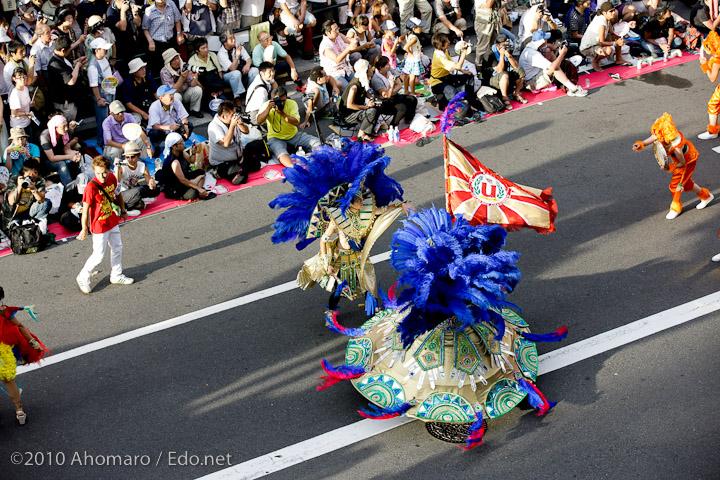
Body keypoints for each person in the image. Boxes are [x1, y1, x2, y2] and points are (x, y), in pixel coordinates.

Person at [269, 141, 412, 314]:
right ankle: (330, 309)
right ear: (350, 203)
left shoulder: (365, 211)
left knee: (368, 281)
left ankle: (373, 308)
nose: (362, 200)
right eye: (358, 199)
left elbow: (381, 210)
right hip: (341, 259)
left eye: (361, 198)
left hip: (358, 255)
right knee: (339, 289)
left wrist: (400, 206)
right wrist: (326, 262)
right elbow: (324, 238)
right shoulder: (337, 218)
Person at [632, 112, 714, 220]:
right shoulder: (664, 134)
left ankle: (676, 207)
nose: (656, 136)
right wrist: (642, 143)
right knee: (686, 182)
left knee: (676, 185)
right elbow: (655, 136)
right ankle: (706, 196)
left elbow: (682, 163)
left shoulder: (676, 147)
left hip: (688, 161)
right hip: (681, 160)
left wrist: (668, 167)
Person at [76, 155, 134, 294]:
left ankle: (116, 275)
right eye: (98, 173)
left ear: (109, 170)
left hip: (112, 221)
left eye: (104, 172)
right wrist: (84, 228)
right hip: (99, 226)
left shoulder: (113, 178)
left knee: (117, 247)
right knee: (98, 255)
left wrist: (123, 211)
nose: (102, 176)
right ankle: (83, 276)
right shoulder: (91, 187)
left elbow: (118, 194)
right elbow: (85, 210)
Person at [0, 286, 49, 426]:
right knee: (8, 381)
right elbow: (20, 326)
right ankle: (19, 411)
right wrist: (33, 343)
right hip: (3, 351)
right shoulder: (4, 310)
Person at [257, 86, 321, 167]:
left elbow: (296, 122)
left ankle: (321, 161)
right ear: (272, 99)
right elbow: (259, 121)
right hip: (276, 137)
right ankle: (294, 168)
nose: (282, 103)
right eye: (279, 101)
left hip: (293, 135)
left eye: (284, 100)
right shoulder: (266, 105)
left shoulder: (292, 103)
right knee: (281, 153)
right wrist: (268, 108)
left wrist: (282, 114)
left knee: (317, 142)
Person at [520, 31, 588, 96]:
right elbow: (553, 68)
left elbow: (546, 46)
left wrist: (554, 47)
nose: (547, 40)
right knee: (555, 68)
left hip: (533, 75)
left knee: (548, 51)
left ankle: (560, 73)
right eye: (546, 39)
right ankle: (573, 89)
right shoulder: (534, 55)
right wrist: (561, 55)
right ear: (542, 41)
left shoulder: (531, 47)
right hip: (531, 82)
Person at [428, 33, 478, 113]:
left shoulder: (444, 51)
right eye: (447, 41)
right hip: (437, 83)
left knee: (469, 77)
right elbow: (458, 66)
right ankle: (442, 106)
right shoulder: (439, 57)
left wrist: (464, 71)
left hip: (447, 77)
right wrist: (464, 53)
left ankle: (470, 102)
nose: (449, 41)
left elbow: (454, 65)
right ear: (442, 44)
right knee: (452, 92)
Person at [207, 100, 253, 185]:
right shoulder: (213, 126)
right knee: (241, 178)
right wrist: (232, 126)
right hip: (222, 162)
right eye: (233, 115)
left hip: (238, 157)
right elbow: (226, 143)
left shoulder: (233, 121)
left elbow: (247, 132)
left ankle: (239, 167)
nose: (235, 116)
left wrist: (240, 124)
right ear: (224, 117)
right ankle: (219, 172)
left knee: (255, 164)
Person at [161, 132, 214, 200]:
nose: (183, 143)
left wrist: (194, 152)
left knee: (200, 172)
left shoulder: (180, 151)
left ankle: (196, 185)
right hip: (174, 185)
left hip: (183, 176)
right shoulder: (174, 162)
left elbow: (191, 160)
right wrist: (197, 187)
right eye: (180, 143)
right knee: (193, 193)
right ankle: (197, 187)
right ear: (173, 146)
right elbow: (182, 180)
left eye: (182, 141)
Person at [579, 2, 631, 72]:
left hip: (598, 42)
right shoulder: (602, 24)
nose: (613, 13)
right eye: (611, 11)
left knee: (617, 37)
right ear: (604, 12)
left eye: (614, 10)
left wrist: (628, 25)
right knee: (609, 50)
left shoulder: (606, 17)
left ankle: (619, 59)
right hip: (587, 48)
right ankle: (595, 62)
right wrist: (615, 43)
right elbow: (601, 43)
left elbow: (613, 32)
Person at [46, 36, 87, 121]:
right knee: (68, 124)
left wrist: (78, 61)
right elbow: (71, 81)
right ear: (63, 50)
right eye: (69, 49)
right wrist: (78, 66)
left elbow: (68, 66)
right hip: (64, 102)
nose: (70, 51)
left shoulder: (60, 58)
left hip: (70, 98)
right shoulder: (55, 63)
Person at [1, 159, 51, 226]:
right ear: (24, 172)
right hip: (13, 214)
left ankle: (37, 225)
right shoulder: (15, 179)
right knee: (15, 226)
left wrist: (34, 189)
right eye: (29, 174)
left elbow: (41, 200)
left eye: (35, 173)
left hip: (28, 211)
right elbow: (11, 201)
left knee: (46, 203)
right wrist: (19, 186)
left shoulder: (39, 181)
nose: (32, 176)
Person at [112, 142, 159, 214]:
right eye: (127, 157)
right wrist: (117, 168)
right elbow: (116, 183)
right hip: (121, 195)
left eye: (133, 156)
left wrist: (151, 182)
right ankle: (126, 209)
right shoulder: (121, 167)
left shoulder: (142, 166)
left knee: (157, 189)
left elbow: (148, 181)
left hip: (132, 191)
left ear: (139, 155)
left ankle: (136, 203)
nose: (130, 159)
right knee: (139, 190)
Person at [371, 56, 418, 126]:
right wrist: (391, 85)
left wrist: (390, 93)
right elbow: (386, 96)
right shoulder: (376, 79)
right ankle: (393, 126)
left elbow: (399, 85)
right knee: (402, 108)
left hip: (392, 96)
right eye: (387, 64)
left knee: (412, 99)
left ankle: (408, 118)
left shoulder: (390, 71)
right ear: (381, 67)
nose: (390, 65)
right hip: (383, 103)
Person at [88, 37, 118, 146]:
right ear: (96, 51)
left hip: (110, 92)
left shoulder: (103, 59)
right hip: (103, 97)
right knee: (103, 122)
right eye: (103, 49)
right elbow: (94, 85)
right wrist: (99, 99)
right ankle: (103, 143)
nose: (106, 51)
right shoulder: (93, 67)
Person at [142, 0, 184, 74]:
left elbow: (177, 20)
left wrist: (179, 34)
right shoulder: (149, 10)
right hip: (156, 43)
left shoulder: (171, 4)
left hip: (170, 41)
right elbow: (145, 28)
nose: (161, 1)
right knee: (158, 69)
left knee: (175, 67)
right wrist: (150, 41)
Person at [159, 48, 203, 118]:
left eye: (177, 58)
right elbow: (173, 91)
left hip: (185, 92)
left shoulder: (184, 65)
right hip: (173, 95)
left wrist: (195, 78)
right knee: (176, 96)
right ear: (169, 62)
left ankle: (194, 110)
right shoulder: (164, 72)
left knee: (197, 89)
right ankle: (180, 116)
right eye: (174, 60)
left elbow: (192, 84)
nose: (177, 61)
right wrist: (182, 77)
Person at [40, 115, 82, 186]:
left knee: (77, 154)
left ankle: (78, 181)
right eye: (63, 126)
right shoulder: (45, 136)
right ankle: (70, 187)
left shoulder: (65, 132)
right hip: (48, 161)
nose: (66, 128)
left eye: (66, 125)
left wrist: (73, 154)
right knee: (61, 164)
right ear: (55, 127)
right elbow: (52, 158)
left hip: (61, 155)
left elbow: (66, 148)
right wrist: (69, 156)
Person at [488, 34, 527, 109]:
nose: (505, 47)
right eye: (503, 45)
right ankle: (504, 97)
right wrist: (502, 55)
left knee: (520, 71)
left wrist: (509, 56)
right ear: (497, 45)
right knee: (504, 74)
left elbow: (515, 66)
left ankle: (516, 93)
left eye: (507, 45)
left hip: (505, 76)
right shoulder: (490, 53)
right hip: (493, 79)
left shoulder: (507, 49)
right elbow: (500, 70)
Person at [216, 30, 253, 105]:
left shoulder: (237, 45)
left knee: (254, 71)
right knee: (236, 73)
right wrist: (237, 55)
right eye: (231, 38)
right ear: (225, 42)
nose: (234, 40)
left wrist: (247, 65)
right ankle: (237, 97)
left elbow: (248, 58)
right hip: (227, 75)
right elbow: (233, 68)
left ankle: (251, 92)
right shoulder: (221, 53)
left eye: (234, 37)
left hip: (241, 70)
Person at [319, 20, 357, 92]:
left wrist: (355, 40)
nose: (338, 31)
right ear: (327, 33)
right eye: (335, 30)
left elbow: (348, 40)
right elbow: (337, 59)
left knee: (359, 84)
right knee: (349, 90)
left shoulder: (338, 35)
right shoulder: (325, 45)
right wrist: (348, 48)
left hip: (345, 68)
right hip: (334, 73)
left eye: (338, 29)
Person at [121, 58, 159, 124]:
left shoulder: (148, 77)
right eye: (140, 69)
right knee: (135, 119)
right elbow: (128, 104)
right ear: (134, 72)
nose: (143, 71)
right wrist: (143, 113)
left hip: (150, 105)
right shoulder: (128, 83)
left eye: (144, 68)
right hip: (136, 110)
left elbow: (156, 93)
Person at [245, 61, 277, 126]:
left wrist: (275, 96)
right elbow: (262, 110)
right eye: (269, 72)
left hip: (261, 108)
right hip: (255, 115)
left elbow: (274, 83)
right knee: (276, 119)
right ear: (262, 73)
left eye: (273, 71)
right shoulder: (261, 91)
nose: (272, 73)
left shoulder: (264, 77)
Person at [8, 68, 35, 140]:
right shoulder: (15, 94)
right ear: (14, 79)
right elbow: (14, 113)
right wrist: (27, 113)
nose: (23, 79)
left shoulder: (25, 88)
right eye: (19, 77)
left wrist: (30, 104)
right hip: (19, 126)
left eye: (24, 76)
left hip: (27, 122)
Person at [402, 18, 426, 96]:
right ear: (414, 28)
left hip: (409, 59)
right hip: (414, 59)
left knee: (407, 75)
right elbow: (405, 47)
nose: (421, 28)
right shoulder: (414, 38)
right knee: (412, 77)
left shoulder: (408, 35)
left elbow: (403, 42)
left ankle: (406, 90)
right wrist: (410, 52)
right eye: (420, 27)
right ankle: (412, 92)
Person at [474, 0, 503, 65]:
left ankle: (490, 64)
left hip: (494, 20)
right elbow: (488, 5)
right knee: (482, 47)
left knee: (493, 46)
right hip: (485, 23)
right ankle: (479, 66)